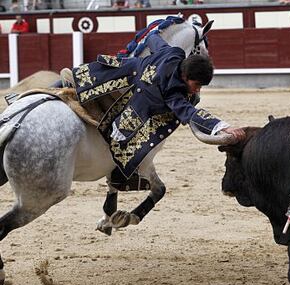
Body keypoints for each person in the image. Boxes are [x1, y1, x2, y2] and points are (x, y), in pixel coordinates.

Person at [62, 31, 245, 187]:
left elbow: (152, 38)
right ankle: (121, 178)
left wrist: (151, 33)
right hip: (133, 103)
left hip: (122, 71)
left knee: (81, 78)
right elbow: (189, 112)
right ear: (184, 75)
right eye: (196, 84)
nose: (197, 90)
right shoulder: (172, 92)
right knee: (122, 147)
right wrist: (222, 127)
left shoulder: (173, 53)